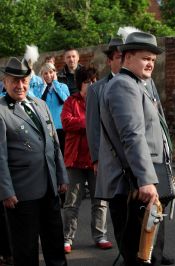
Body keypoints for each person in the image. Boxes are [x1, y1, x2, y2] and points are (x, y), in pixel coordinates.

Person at [96, 30, 170, 266]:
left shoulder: (137, 84)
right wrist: (146, 180)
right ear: (126, 57)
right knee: (140, 255)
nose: (150, 63)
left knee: (150, 253)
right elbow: (132, 135)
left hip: (142, 181)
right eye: (145, 58)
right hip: (135, 186)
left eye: (153, 59)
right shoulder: (124, 86)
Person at [0, 57, 68, 266]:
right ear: (5, 82)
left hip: (49, 187)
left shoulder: (40, 104)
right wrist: (6, 191)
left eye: (24, 81)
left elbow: (54, 144)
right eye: (14, 81)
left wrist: (62, 175)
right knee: (26, 248)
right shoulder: (1, 111)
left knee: (55, 242)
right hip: (21, 192)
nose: (20, 86)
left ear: (29, 81)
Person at [61, 66, 112, 253]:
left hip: (95, 158)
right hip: (75, 159)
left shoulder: (101, 101)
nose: (91, 85)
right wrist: (89, 122)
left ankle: (101, 235)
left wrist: (84, 123)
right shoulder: (70, 101)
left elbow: (106, 124)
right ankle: (67, 238)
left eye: (93, 81)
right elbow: (66, 122)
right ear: (79, 84)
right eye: (87, 81)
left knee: (100, 200)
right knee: (72, 202)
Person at [86, 38, 123, 176]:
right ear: (109, 61)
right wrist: (96, 159)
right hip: (110, 156)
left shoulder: (140, 84)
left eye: (126, 57)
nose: (124, 61)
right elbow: (93, 126)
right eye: (119, 57)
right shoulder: (96, 90)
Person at [31, 63, 69, 154]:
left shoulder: (63, 86)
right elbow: (35, 104)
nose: (48, 75)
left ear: (55, 73)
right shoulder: (37, 89)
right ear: (42, 75)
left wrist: (55, 83)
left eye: (51, 72)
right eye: (45, 73)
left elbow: (66, 101)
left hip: (61, 127)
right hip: (46, 127)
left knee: (62, 153)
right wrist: (43, 87)